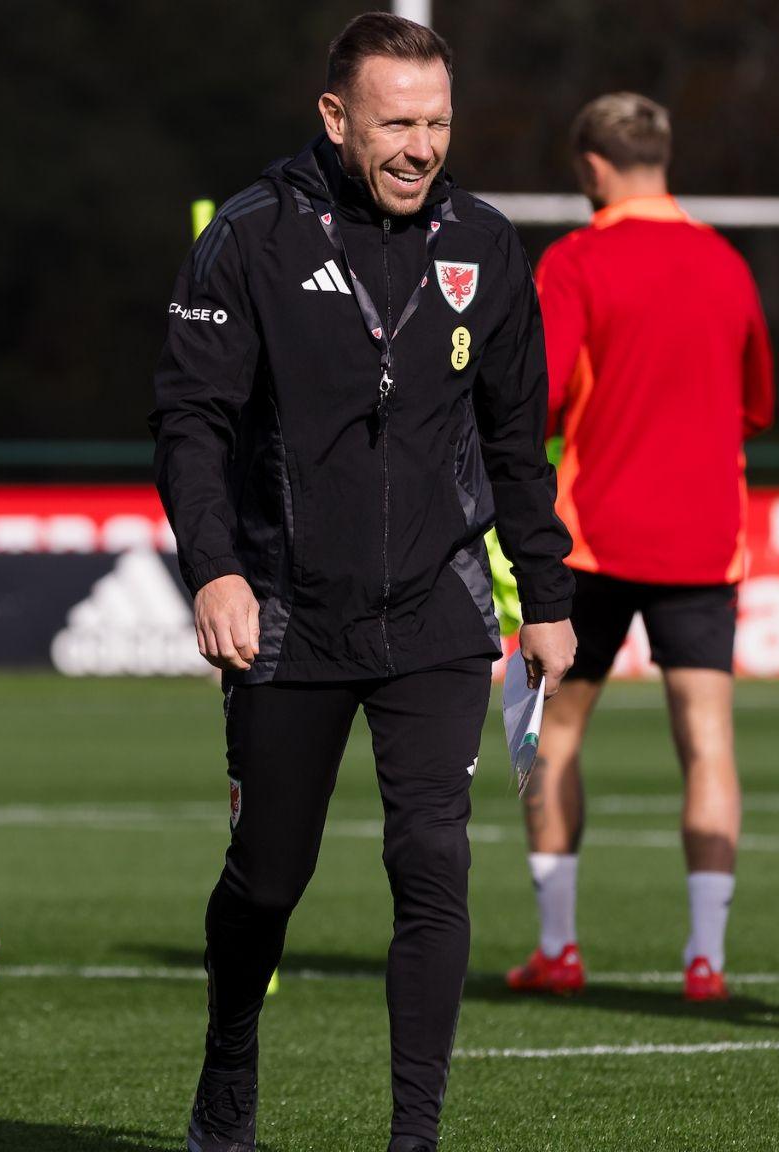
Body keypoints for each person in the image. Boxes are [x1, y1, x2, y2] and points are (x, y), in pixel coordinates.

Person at [150, 14, 576, 1150]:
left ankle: (414, 1139)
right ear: (335, 117)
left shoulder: (483, 243)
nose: (420, 145)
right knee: (266, 884)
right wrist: (215, 571)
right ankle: (227, 1074)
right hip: (285, 615)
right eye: (397, 122)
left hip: (436, 610)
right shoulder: (246, 237)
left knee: (431, 861)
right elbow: (189, 423)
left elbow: (514, 437)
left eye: (437, 122)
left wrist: (545, 596)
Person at [505, 93, 774, 1002]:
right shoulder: (728, 264)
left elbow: (532, 398)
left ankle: (559, 947)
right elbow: (753, 402)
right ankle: (706, 959)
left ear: (591, 166)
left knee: (553, 734)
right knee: (707, 742)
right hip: (705, 538)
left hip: (592, 537)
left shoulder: (576, 259)